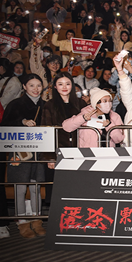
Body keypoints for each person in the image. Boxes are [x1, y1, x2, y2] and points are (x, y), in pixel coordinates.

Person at [1, 74, 46, 238]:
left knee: (36, 187)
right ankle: (22, 222)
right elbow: (3, 127)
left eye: (39, 85)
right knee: (19, 188)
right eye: (31, 85)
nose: (36, 89)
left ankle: (37, 220)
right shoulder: (15, 104)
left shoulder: (45, 105)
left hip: (39, 151)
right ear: (24, 87)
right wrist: (22, 122)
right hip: (19, 152)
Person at [41, 72, 87, 204]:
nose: (64, 87)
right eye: (60, 84)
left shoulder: (80, 103)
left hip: (79, 151)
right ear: (55, 87)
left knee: (78, 187)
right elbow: (46, 132)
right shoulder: (49, 105)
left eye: (67, 83)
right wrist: (50, 157)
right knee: (58, 190)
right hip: (58, 151)